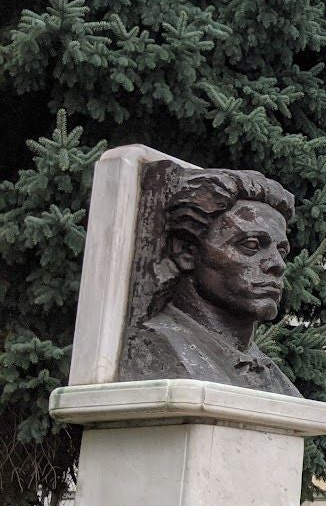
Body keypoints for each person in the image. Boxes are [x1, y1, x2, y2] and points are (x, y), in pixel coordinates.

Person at [119, 168, 301, 396]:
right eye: (251, 245)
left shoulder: (276, 381)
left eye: (282, 251)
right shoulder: (152, 348)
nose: (278, 264)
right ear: (187, 252)